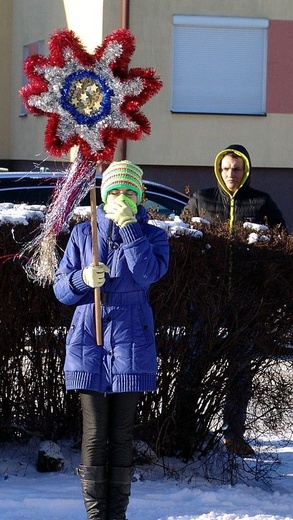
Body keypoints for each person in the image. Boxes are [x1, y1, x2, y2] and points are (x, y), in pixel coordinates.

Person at [53, 160, 169, 520]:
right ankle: (96, 515)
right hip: (89, 337)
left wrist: (130, 229)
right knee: (94, 432)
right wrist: (83, 279)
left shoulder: (153, 235)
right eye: (115, 191)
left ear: (140, 197)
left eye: (129, 192)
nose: (121, 197)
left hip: (132, 339)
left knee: (121, 434)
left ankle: (116, 514)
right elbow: (61, 288)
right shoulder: (83, 233)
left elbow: (148, 273)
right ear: (103, 195)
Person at [184, 144, 286, 457]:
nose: (231, 174)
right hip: (208, 297)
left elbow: (281, 242)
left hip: (245, 300)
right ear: (219, 169)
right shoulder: (203, 198)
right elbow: (183, 239)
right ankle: (186, 429)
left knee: (240, 369)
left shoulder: (261, 201)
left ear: (246, 170)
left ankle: (233, 435)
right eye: (226, 168)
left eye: (237, 169)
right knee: (193, 363)